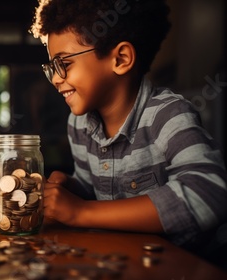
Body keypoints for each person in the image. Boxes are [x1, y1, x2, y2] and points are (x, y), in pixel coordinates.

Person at [29, 0, 227, 255]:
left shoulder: (168, 115)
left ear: (121, 59)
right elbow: (96, 189)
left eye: (64, 64)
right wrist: (73, 188)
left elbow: (210, 193)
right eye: (51, 68)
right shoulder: (78, 124)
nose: (56, 79)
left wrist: (80, 211)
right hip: (121, 259)